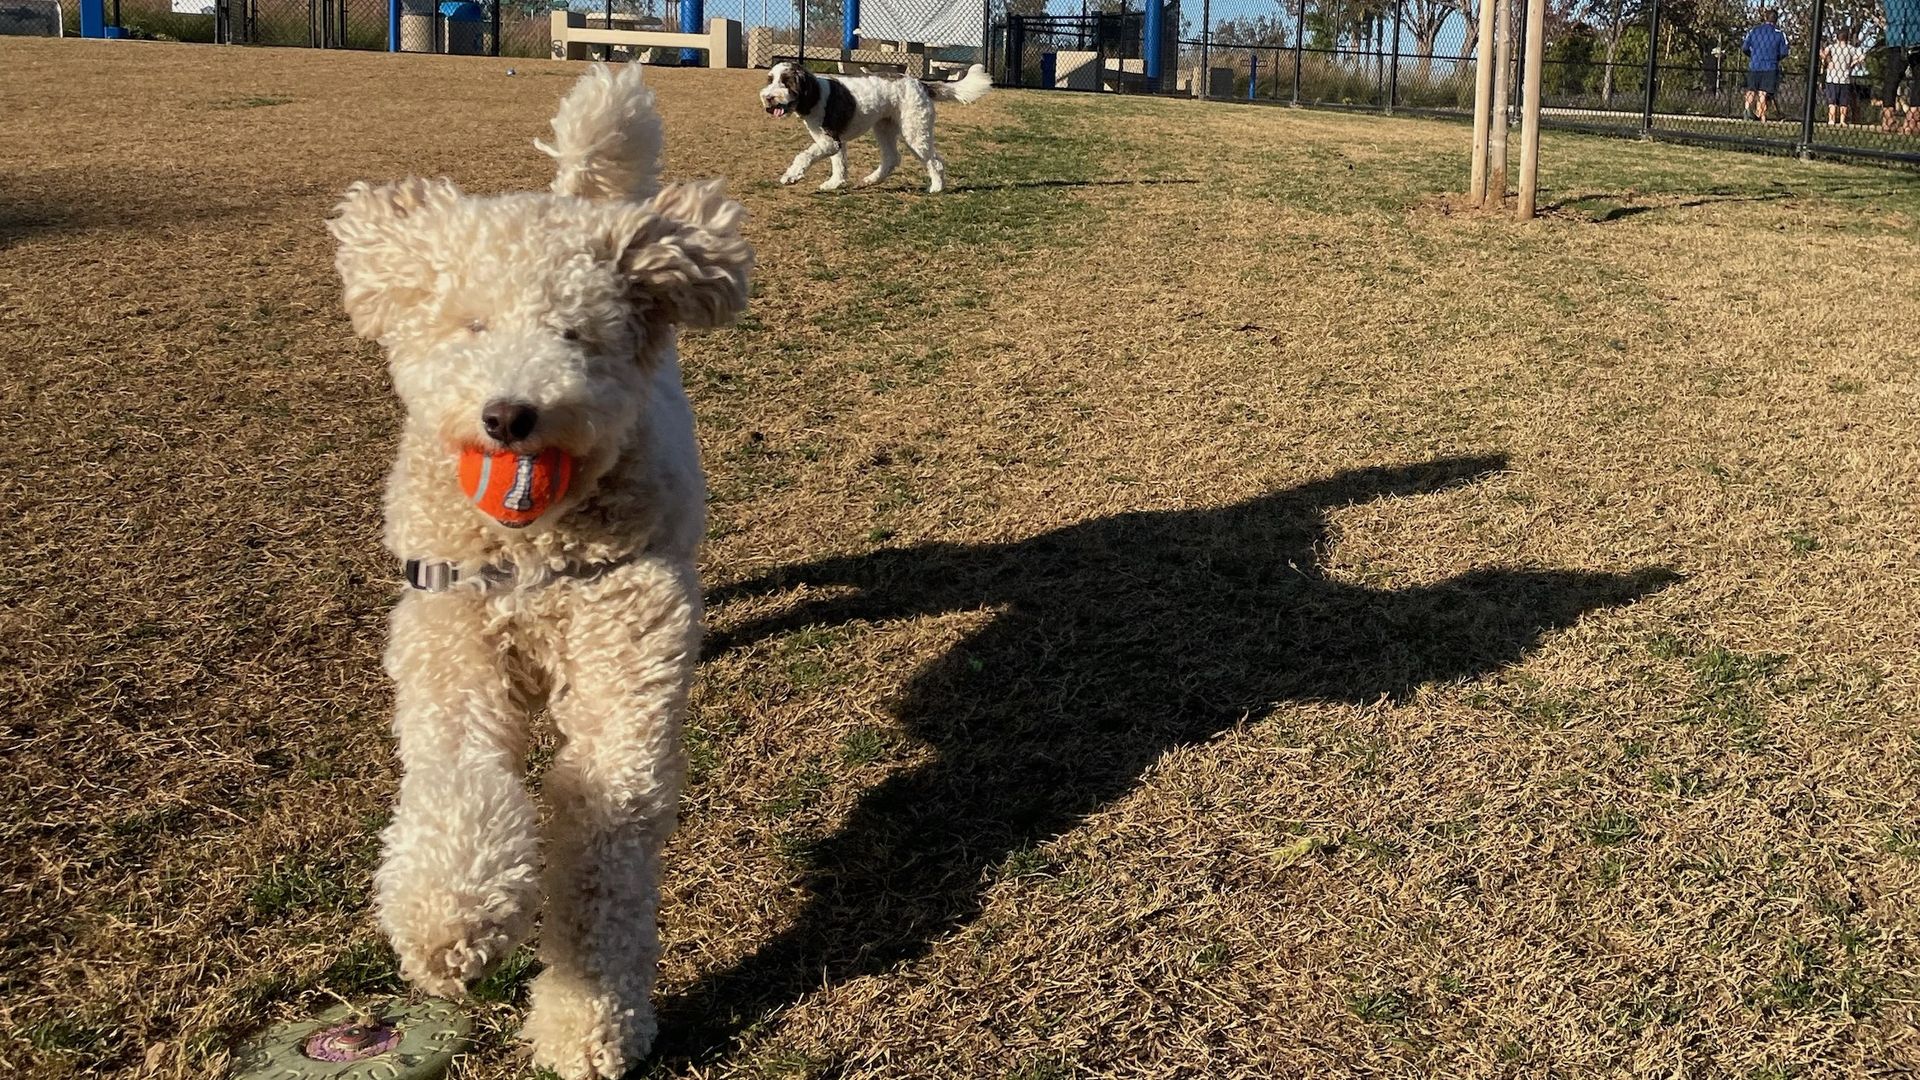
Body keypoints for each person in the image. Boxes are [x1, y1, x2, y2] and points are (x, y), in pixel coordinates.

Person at [1742, 9, 1790, 122]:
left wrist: (1753, 55)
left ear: (1765, 18)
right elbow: (1784, 52)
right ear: (1776, 20)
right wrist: (1775, 58)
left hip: (1755, 64)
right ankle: (1761, 116)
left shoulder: (1754, 31)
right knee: (1763, 92)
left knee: (1751, 90)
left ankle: (1747, 110)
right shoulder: (1779, 34)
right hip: (1770, 66)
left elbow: (1744, 48)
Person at [1881, 0, 1920, 132]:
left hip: (1899, 35)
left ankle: (1890, 118)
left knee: (1892, 77)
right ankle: (1911, 119)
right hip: (1910, 34)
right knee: (1895, 77)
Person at [1823, 28, 1868, 125]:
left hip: (1832, 78)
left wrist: (1829, 61)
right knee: (1844, 102)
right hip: (1844, 78)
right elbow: (1862, 56)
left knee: (1832, 101)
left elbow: (1823, 53)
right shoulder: (1850, 49)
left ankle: (1831, 120)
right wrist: (1853, 63)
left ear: (1837, 38)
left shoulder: (1832, 47)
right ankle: (1842, 121)